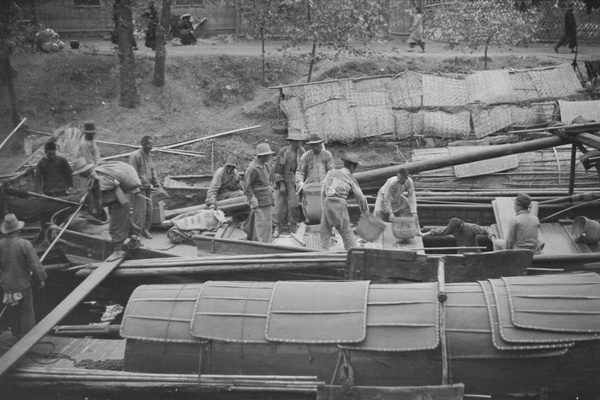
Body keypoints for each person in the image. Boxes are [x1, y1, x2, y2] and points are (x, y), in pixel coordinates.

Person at [72, 158, 142, 260]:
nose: (80, 176)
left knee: (115, 227)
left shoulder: (100, 178)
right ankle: (135, 239)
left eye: (80, 173)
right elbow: (95, 192)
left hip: (118, 203)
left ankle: (118, 251)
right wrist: (87, 197)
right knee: (127, 222)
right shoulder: (95, 176)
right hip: (120, 203)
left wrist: (93, 203)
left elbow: (104, 195)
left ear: (85, 171)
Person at [0, 214, 47, 338]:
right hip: (22, 285)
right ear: (18, 230)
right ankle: (27, 340)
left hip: (7, 286)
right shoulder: (24, 244)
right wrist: (41, 278)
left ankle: (16, 335)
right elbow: (35, 265)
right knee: (26, 312)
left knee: (13, 312)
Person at [320, 152, 369, 251]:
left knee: (325, 233)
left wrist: (323, 208)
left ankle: (322, 254)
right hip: (339, 202)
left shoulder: (331, 173)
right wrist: (365, 213)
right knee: (346, 233)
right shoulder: (350, 177)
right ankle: (353, 254)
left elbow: (322, 191)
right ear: (351, 166)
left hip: (327, 201)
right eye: (355, 168)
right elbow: (361, 198)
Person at [129, 136, 167, 240]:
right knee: (139, 212)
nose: (151, 147)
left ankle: (145, 229)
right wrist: (135, 188)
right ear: (143, 144)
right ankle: (136, 233)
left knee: (148, 210)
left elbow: (152, 171)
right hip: (139, 188)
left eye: (152, 145)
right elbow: (132, 173)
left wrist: (158, 186)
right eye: (150, 145)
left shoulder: (149, 155)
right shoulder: (135, 156)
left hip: (147, 188)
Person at [273, 128, 306, 238]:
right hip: (282, 178)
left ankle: (293, 225)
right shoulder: (284, 151)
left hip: (294, 180)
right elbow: (277, 169)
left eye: (300, 141)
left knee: (294, 204)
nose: (299, 143)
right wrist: (281, 184)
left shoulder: (302, 152)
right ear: (292, 141)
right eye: (297, 141)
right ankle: (277, 226)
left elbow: (304, 167)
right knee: (280, 204)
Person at [295, 133, 335, 218]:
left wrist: (327, 179)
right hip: (310, 188)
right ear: (310, 146)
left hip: (324, 187)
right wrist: (300, 182)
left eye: (317, 145)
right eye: (313, 146)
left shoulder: (327, 155)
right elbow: (300, 171)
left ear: (321, 144)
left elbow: (331, 170)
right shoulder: (306, 156)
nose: (316, 148)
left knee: (325, 209)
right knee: (311, 209)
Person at [243, 143, 275, 243]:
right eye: (268, 155)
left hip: (267, 201)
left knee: (267, 224)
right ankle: (259, 245)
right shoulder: (252, 169)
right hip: (259, 202)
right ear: (262, 156)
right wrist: (253, 202)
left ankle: (267, 243)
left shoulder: (265, 166)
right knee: (259, 226)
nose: (270, 157)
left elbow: (268, 182)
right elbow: (247, 187)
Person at [422, 218, 497, 254]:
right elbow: (440, 231)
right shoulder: (452, 228)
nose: (453, 232)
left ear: (460, 226)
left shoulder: (471, 228)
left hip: (474, 252)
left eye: (455, 230)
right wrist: (424, 234)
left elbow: (486, 230)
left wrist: (493, 240)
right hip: (461, 253)